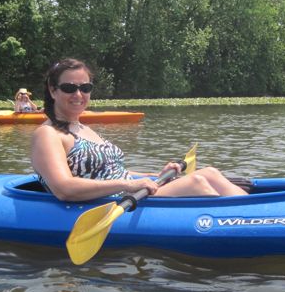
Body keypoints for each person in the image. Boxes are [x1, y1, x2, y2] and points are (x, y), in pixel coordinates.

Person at [30, 58, 248, 202]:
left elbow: (112, 171)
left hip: (131, 192)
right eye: (70, 88)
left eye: (85, 88)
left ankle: (251, 212)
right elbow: (64, 188)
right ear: (52, 90)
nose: (78, 95)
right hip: (113, 201)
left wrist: (154, 176)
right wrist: (130, 184)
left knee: (208, 172)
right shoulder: (48, 134)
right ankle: (237, 226)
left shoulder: (83, 128)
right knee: (196, 182)